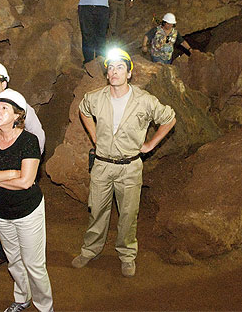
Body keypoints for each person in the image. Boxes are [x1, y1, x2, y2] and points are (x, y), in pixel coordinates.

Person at [71, 49, 176, 277]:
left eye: (120, 67)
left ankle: (127, 255)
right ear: (107, 74)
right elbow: (84, 110)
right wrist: (94, 136)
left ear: (129, 73)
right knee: (97, 210)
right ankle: (90, 250)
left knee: (128, 213)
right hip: (102, 164)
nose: (114, 71)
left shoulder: (144, 101)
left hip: (129, 166)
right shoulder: (96, 97)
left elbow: (169, 119)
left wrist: (150, 145)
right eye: (110, 68)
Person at [0, 89, 53, 312]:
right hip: (1, 212)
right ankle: (22, 298)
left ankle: (45, 307)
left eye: (4, 108)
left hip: (28, 211)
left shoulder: (29, 141)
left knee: (34, 264)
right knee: (14, 260)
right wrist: (11, 174)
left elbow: (26, 182)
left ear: (18, 115)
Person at [0, 61, 45, 271]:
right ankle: (3, 252)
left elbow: (38, 136)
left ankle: (25, 255)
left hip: (21, 164)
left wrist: (30, 164)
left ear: (4, 83)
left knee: (22, 210)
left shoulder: (20, 108)